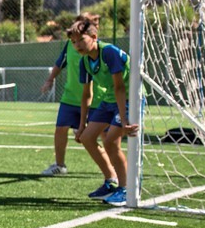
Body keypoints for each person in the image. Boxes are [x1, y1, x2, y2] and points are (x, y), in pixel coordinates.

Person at [70, 16, 139, 206]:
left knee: (110, 142)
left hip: (128, 98)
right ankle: (111, 180)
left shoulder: (109, 52)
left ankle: (126, 189)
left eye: (81, 40)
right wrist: (82, 124)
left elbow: (120, 87)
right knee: (86, 138)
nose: (77, 45)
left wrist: (125, 119)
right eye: (73, 42)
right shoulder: (84, 62)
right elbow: (86, 95)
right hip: (109, 101)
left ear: (94, 36)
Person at [39, 15, 95, 176]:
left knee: (101, 135)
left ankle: (112, 172)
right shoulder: (69, 46)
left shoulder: (99, 50)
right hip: (70, 97)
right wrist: (49, 80)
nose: (76, 44)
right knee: (60, 129)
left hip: (93, 99)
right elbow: (59, 63)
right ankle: (60, 165)